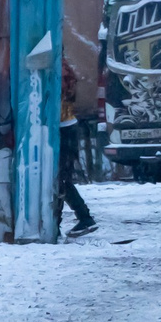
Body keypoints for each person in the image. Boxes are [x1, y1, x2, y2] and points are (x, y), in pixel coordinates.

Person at [58, 59, 96, 237]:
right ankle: (79, 218)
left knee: (60, 178)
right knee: (60, 178)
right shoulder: (64, 68)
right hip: (68, 126)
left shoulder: (57, 70)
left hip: (62, 128)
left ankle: (84, 218)